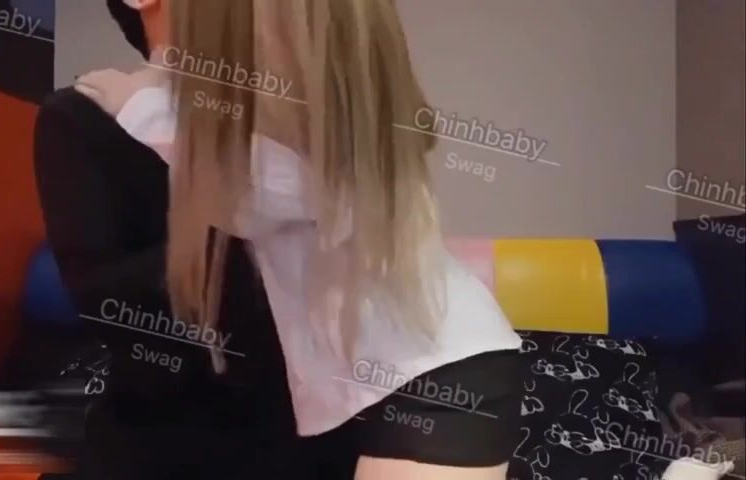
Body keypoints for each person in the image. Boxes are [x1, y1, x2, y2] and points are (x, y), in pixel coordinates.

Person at [74, 1, 525, 479]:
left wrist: (139, 106)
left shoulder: (308, 139)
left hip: (438, 377)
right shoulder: (280, 113)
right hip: (395, 380)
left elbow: (248, 197)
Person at [33, 1, 321, 478]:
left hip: (315, 433)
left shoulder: (290, 118)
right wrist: (246, 236)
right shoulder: (84, 115)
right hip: (168, 438)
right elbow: (102, 298)